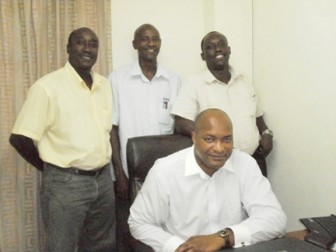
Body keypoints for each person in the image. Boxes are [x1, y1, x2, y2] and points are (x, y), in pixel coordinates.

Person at [9, 27, 116, 252]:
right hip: (66, 184)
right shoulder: (47, 87)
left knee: (101, 246)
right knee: (61, 246)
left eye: (93, 44)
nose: (87, 48)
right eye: (80, 43)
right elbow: (20, 138)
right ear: (68, 48)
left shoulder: (104, 85)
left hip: (103, 180)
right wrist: (49, 168)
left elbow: (106, 132)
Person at [128, 108, 286, 252]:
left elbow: (274, 218)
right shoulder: (165, 171)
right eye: (210, 139)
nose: (219, 148)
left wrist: (222, 237)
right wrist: (180, 247)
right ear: (194, 138)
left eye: (227, 139)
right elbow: (139, 222)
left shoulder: (245, 164)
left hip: (234, 247)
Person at [108, 23, 181, 251]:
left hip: (165, 177)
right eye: (144, 39)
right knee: (126, 234)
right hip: (128, 177)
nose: (150, 43)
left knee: (162, 233)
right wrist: (119, 173)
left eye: (155, 39)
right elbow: (112, 129)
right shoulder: (117, 79)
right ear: (134, 44)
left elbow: (178, 128)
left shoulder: (174, 80)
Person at [171, 31, 273, 177]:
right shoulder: (193, 83)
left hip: (254, 160)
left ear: (229, 50)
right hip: (219, 164)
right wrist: (214, 138)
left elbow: (257, 116)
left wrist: (267, 134)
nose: (218, 49)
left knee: (258, 200)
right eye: (211, 47)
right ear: (203, 56)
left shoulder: (244, 80)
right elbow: (181, 123)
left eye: (221, 45)